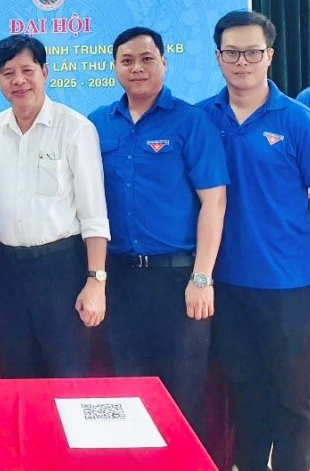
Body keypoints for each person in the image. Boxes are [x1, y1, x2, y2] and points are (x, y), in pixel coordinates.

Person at [197, 10, 310, 471]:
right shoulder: (201, 118)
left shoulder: (300, 121)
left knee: (291, 393)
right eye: (232, 53)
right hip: (223, 280)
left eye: (252, 52)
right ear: (218, 57)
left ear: (270, 56)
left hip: (284, 280)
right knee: (243, 388)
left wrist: (290, 229)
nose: (242, 62)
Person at [87, 26, 226, 439]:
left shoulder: (191, 121)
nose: (137, 68)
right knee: (127, 392)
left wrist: (202, 278)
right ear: (114, 67)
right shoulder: (97, 124)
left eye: (147, 59)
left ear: (164, 63)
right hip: (120, 279)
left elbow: (214, 202)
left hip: (177, 279)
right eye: (127, 60)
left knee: (183, 393)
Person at [0, 35, 109, 377]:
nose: (19, 81)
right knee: (15, 374)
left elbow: (94, 214)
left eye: (27, 70)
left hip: (61, 269)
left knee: (67, 375)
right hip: (7, 270)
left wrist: (96, 280)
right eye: (8, 73)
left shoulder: (76, 128)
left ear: (45, 72)